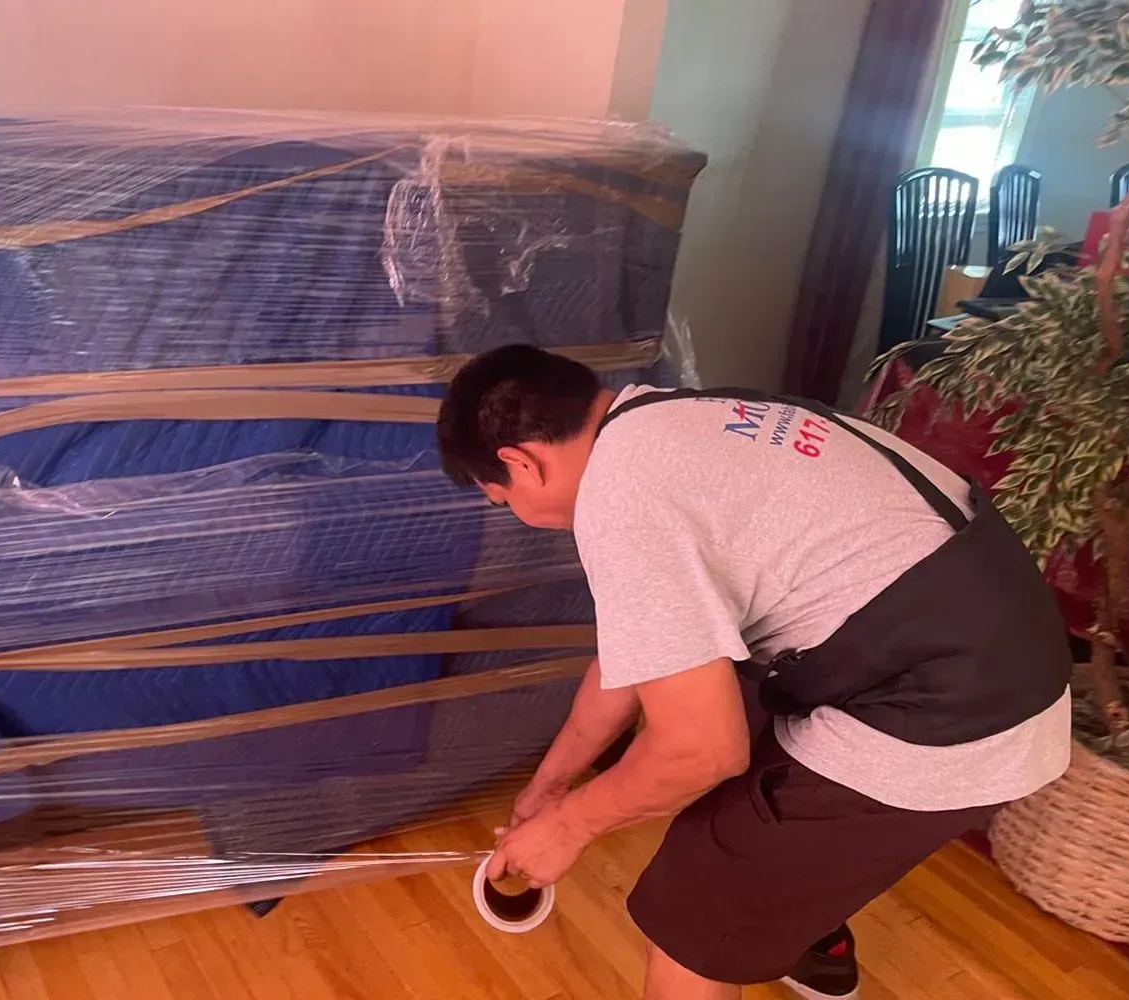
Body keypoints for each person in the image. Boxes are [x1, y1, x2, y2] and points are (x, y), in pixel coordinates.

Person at [437, 345, 1073, 1000]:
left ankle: (778, 915)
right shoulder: (678, 416)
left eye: (499, 498)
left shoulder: (622, 498)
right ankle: (812, 936)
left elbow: (701, 752)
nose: (513, 512)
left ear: (521, 464)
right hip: (1009, 656)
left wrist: (568, 829)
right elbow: (637, 653)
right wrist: (551, 786)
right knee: (735, 729)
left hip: (948, 711)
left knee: (692, 911)